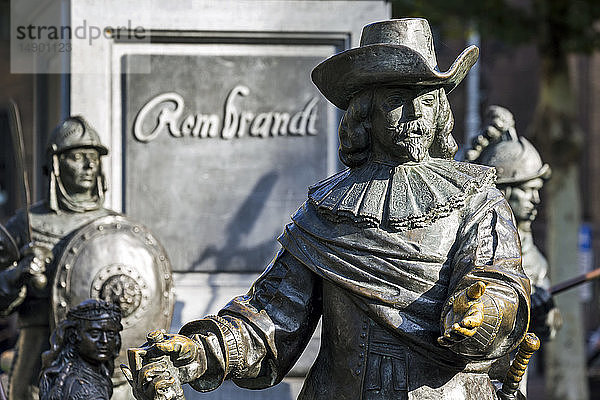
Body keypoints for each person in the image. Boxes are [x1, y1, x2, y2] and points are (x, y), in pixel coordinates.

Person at [128, 19, 530, 400]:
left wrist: (485, 311)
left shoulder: (476, 199)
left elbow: (498, 281)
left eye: (426, 101)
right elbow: (272, 317)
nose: (415, 116)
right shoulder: (325, 211)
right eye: (395, 101)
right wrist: (199, 350)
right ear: (365, 113)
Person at [0, 116, 116, 400]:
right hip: (38, 360)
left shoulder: (114, 228)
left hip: (99, 366)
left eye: (93, 157)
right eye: (77, 157)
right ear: (55, 164)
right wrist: (16, 276)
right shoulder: (25, 224)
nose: (89, 166)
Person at [468, 105, 561, 341]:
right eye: (528, 191)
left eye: (537, 191)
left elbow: (547, 331)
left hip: (517, 373)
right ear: (504, 192)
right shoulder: (472, 246)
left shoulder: (534, 257)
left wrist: (545, 313)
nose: (536, 199)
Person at [39, 299, 123, 400]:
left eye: (110, 334)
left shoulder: (94, 374)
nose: (104, 340)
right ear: (74, 336)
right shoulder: (81, 387)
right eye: (95, 334)